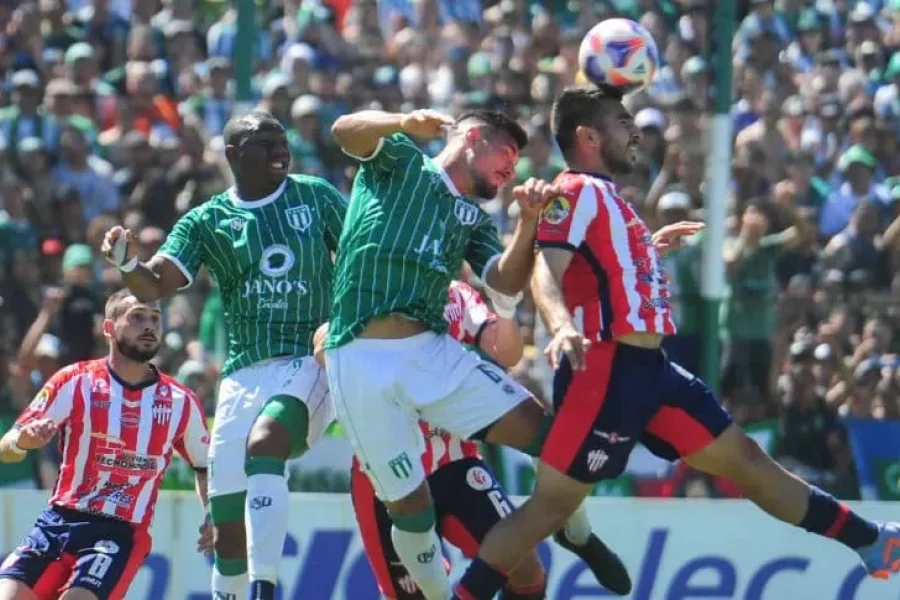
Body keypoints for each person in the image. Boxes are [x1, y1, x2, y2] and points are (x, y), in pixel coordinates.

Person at [449, 85, 900, 600]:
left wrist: (647, 245)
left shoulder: (609, 198)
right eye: (621, 122)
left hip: (651, 370)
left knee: (747, 462)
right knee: (548, 507)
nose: (635, 132)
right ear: (588, 136)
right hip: (605, 367)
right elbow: (545, 275)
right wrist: (561, 325)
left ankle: (871, 543)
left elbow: (604, 266)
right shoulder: (571, 190)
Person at [324, 107, 622, 600]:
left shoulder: (472, 217)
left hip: (430, 353)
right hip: (358, 358)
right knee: (412, 517)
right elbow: (342, 131)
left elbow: (502, 280)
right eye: (506, 152)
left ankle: (578, 532)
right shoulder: (400, 159)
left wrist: (527, 226)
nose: (512, 168)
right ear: (474, 138)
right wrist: (401, 122)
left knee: (552, 438)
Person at [100, 111, 347, 600]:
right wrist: (127, 261)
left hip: (308, 358)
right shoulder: (207, 220)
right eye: (265, 141)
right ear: (233, 155)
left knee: (267, 442)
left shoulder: (316, 197)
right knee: (227, 531)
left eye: (283, 140)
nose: (281, 148)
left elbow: (362, 257)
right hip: (241, 375)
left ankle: (265, 589)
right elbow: (151, 284)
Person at [323, 280, 629, 599]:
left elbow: (505, 351)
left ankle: (577, 532)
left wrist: (507, 306)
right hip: (388, 474)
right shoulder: (365, 292)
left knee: (527, 571)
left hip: (456, 463)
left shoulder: (457, 293)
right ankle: (576, 532)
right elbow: (323, 345)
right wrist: (330, 343)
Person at [0, 289, 210, 600]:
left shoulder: (180, 401)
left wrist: (213, 511)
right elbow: (6, 448)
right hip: (59, 520)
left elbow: (205, 466)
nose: (149, 326)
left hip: (120, 531)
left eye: (155, 318)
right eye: (136, 317)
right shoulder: (74, 381)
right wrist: (24, 441)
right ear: (109, 328)